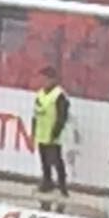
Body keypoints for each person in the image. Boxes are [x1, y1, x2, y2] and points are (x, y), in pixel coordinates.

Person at [33, 66, 70, 198]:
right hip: (41, 132)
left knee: (56, 160)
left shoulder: (59, 95)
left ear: (52, 79)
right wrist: (33, 130)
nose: (43, 82)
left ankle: (62, 185)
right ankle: (47, 181)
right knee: (44, 160)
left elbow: (62, 115)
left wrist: (56, 132)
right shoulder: (40, 94)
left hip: (52, 133)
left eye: (46, 79)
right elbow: (36, 113)